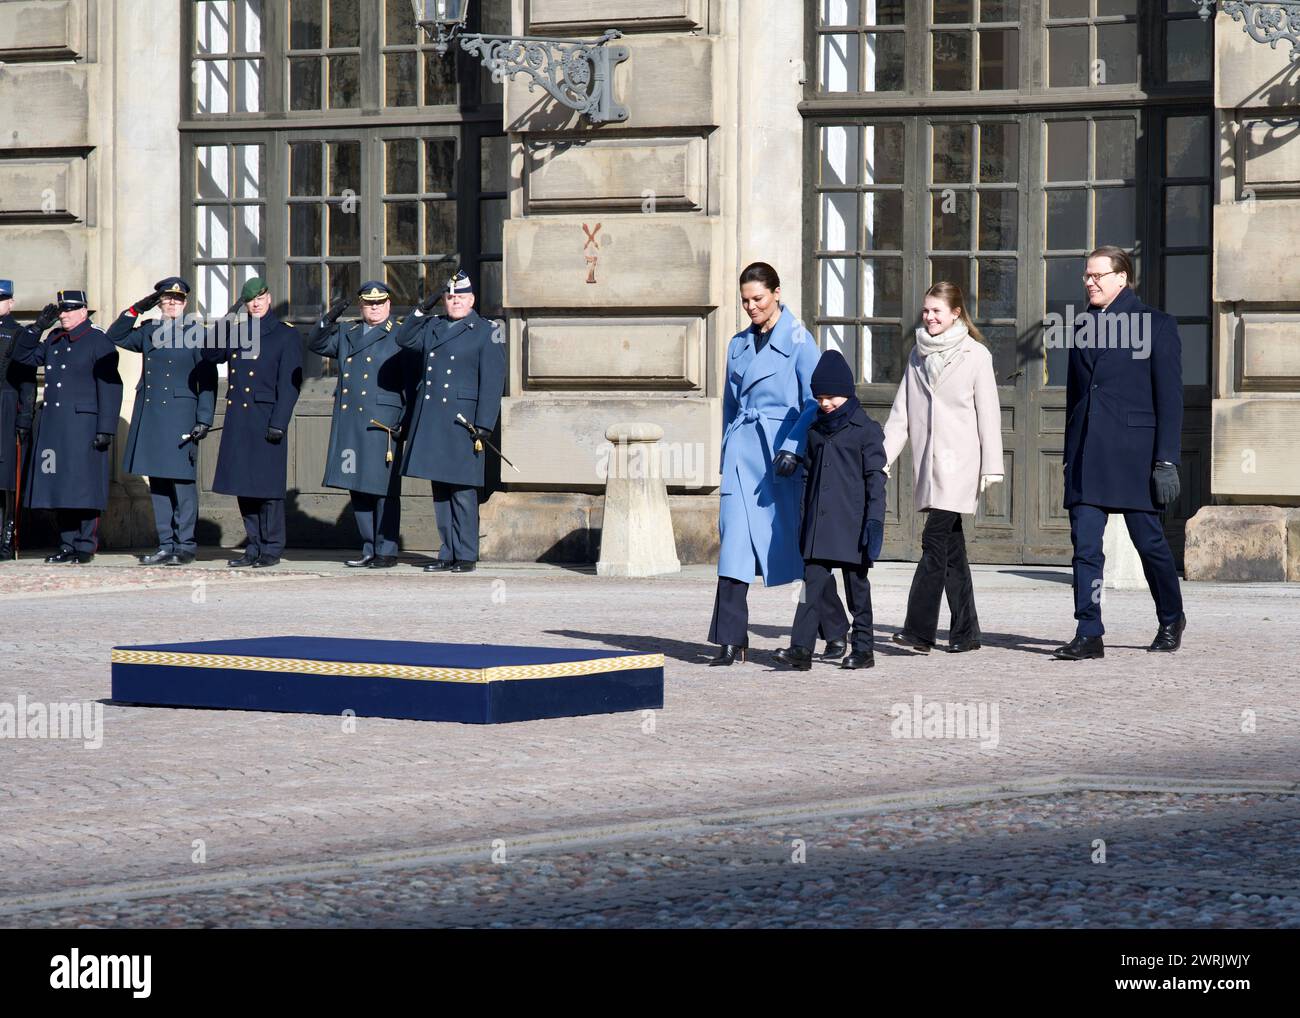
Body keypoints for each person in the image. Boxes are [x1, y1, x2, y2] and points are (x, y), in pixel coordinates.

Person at [1054, 245, 1186, 660]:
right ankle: (1089, 631)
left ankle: (1170, 616)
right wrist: (1068, 453)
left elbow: (1171, 399)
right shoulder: (1079, 327)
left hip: (1135, 457)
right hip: (1088, 456)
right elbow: (1077, 396)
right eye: (1086, 276)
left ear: (1121, 278)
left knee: (1150, 545)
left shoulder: (1157, 325)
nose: (1089, 282)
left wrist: (1166, 460)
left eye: (1097, 276)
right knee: (1086, 549)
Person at [708, 261, 820, 666]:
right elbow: (729, 405)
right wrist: (725, 453)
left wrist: (794, 445)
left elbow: (814, 401)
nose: (751, 306)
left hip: (780, 459)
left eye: (757, 298)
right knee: (733, 546)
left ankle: (835, 628)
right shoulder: (737, 345)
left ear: (776, 292)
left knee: (800, 550)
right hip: (742, 454)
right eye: (744, 300)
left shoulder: (800, 340)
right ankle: (729, 640)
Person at [883, 281, 1003, 654]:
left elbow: (989, 414)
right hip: (929, 465)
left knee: (933, 541)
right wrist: (880, 459)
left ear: (956, 313)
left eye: (937, 311)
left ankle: (918, 632)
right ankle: (966, 632)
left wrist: (992, 465)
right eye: (926, 310)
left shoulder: (976, 355)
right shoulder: (917, 356)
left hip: (961, 465)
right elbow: (901, 415)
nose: (929, 317)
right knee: (952, 550)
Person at [772, 350, 887, 671]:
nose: (824, 404)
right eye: (819, 397)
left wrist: (874, 523)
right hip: (819, 527)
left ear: (848, 393)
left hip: (853, 527)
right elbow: (808, 478)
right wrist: (803, 520)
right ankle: (800, 649)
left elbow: (875, 480)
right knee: (809, 591)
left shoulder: (867, 430)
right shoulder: (814, 431)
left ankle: (864, 649)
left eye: (831, 397)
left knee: (857, 593)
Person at [394, 270, 505, 574]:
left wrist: (484, 424)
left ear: (472, 300)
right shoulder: (433, 326)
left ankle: (466, 554)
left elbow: (492, 382)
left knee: (463, 490)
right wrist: (421, 310)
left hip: (463, 422)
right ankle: (447, 552)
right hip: (434, 420)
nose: (455, 302)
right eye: (450, 297)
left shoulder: (485, 331)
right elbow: (403, 338)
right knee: (440, 490)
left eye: (460, 297)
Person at [107, 277, 217, 565]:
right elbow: (115, 336)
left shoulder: (198, 333)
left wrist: (204, 419)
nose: (172, 303)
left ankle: (186, 545)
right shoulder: (148, 331)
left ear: (186, 303)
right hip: (152, 414)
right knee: (157, 483)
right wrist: (136, 309)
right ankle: (165, 544)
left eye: (177, 299)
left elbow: (207, 381)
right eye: (166, 298)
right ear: (159, 302)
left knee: (182, 483)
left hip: (181, 415)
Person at [10, 290, 123, 563]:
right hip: (54, 427)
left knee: (84, 487)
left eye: (70, 310)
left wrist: (105, 428)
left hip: (84, 426)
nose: (64, 315)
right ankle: (66, 544)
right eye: (61, 311)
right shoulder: (54, 339)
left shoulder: (98, 340)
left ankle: (85, 546)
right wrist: (37, 327)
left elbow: (110, 387)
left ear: (84, 311)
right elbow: (22, 356)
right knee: (59, 486)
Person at [308, 281, 413, 568]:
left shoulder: (400, 334)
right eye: (369, 303)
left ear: (389, 305)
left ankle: (387, 550)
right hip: (352, 421)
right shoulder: (348, 332)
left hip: (383, 422)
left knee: (383, 489)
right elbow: (316, 342)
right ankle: (368, 546)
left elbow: (410, 383)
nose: (375, 308)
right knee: (358, 486)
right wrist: (332, 315)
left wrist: (405, 419)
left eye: (380, 303)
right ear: (361, 306)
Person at [201, 278, 303, 569]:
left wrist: (279, 422)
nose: (255, 304)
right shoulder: (237, 333)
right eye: (249, 301)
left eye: (259, 298)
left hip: (266, 419)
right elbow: (209, 354)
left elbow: (290, 385)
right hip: (239, 421)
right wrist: (228, 318)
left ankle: (271, 548)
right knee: (244, 487)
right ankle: (253, 545)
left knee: (267, 489)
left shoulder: (285, 335)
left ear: (269, 298)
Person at [0, 279, 37, 560]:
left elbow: (27, 382)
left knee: (7, 479)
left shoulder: (18, 333)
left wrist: (24, 418)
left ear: (11, 303)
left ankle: (6, 537)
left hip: (7, 406)